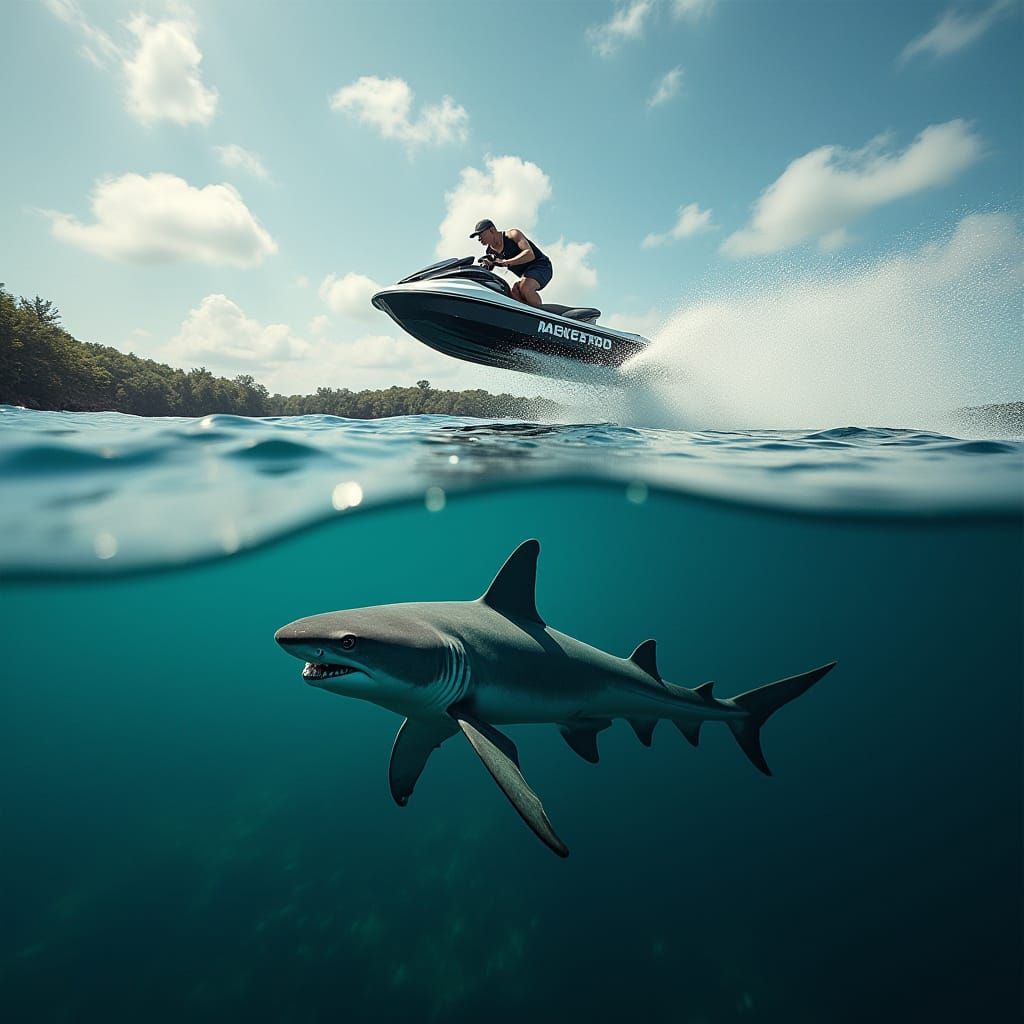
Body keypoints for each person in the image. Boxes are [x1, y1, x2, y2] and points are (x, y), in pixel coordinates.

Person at [470, 219, 553, 308]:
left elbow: (530, 254)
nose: (479, 239)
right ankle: (526, 313)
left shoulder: (513, 234)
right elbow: (490, 269)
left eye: (481, 234)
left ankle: (541, 313)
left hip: (542, 266)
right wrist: (488, 265)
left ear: (492, 230)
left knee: (525, 288)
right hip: (526, 274)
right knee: (514, 293)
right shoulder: (490, 252)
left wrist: (506, 262)